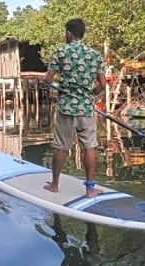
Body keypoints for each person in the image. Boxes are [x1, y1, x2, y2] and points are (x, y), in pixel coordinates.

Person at [43, 18, 107, 198]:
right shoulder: (95, 55)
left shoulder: (61, 52)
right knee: (89, 147)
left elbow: (48, 79)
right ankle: (90, 189)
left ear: (69, 33)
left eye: (66, 33)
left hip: (66, 108)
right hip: (86, 108)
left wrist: (50, 83)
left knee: (60, 147)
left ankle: (55, 185)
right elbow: (102, 83)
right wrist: (91, 94)